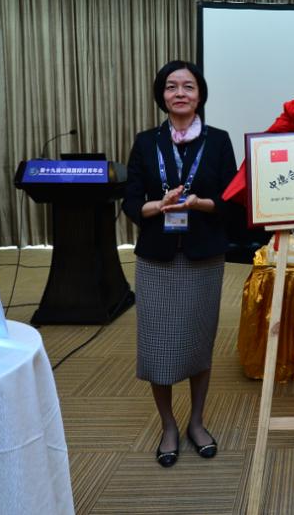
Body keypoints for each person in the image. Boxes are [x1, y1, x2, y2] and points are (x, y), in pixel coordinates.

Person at [122, 60, 237, 468]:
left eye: (188, 86)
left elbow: (231, 200)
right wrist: (159, 205)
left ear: (200, 94)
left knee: (198, 342)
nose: (180, 93)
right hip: (157, 257)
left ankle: (197, 421)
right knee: (157, 346)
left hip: (204, 255)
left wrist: (201, 204)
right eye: (172, 87)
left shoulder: (219, 141)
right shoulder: (146, 142)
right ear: (162, 95)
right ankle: (168, 424)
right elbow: (131, 202)